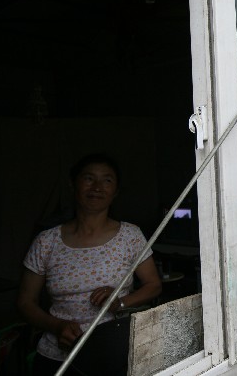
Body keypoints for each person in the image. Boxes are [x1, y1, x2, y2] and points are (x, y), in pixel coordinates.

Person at [17, 154, 162, 375]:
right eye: (88, 178)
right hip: (58, 356)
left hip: (113, 354)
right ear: (72, 184)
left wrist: (120, 302)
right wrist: (57, 326)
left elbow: (153, 285)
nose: (97, 187)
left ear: (116, 191)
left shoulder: (130, 236)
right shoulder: (46, 241)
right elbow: (25, 302)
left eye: (107, 180)